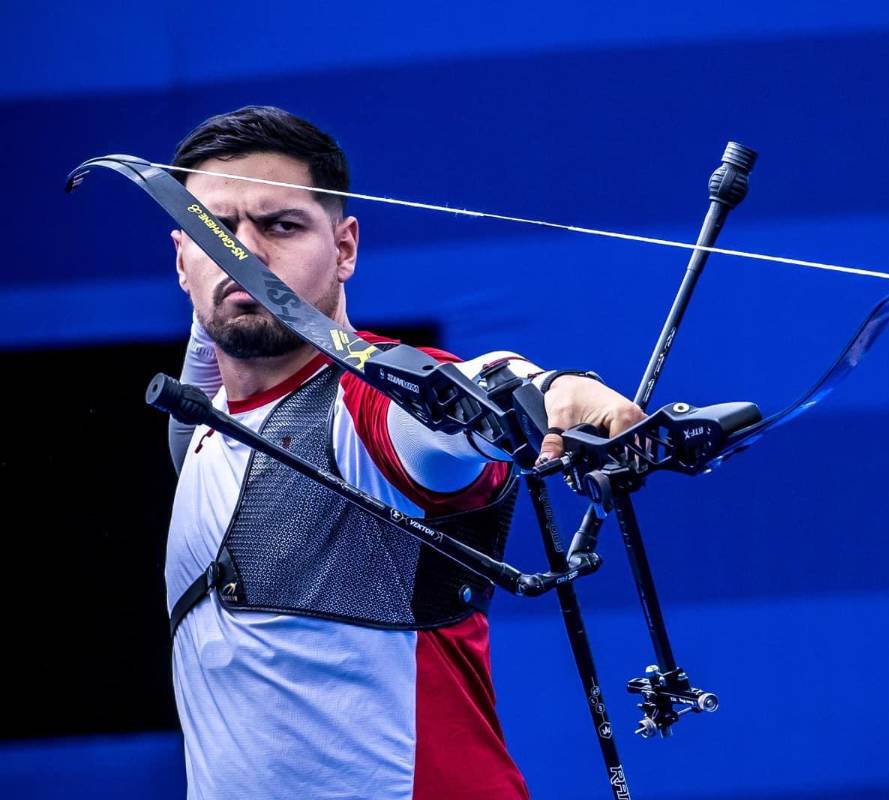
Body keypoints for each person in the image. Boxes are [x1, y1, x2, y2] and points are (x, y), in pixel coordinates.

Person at [164, 105, 644, 799]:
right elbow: (211, 337)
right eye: (216, 231)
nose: (246, 254)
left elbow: (460, 397)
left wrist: (554, 392)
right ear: (182, 257)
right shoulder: (201, 429)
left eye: (281, 226)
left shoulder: (366, 408)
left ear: (345, 248)